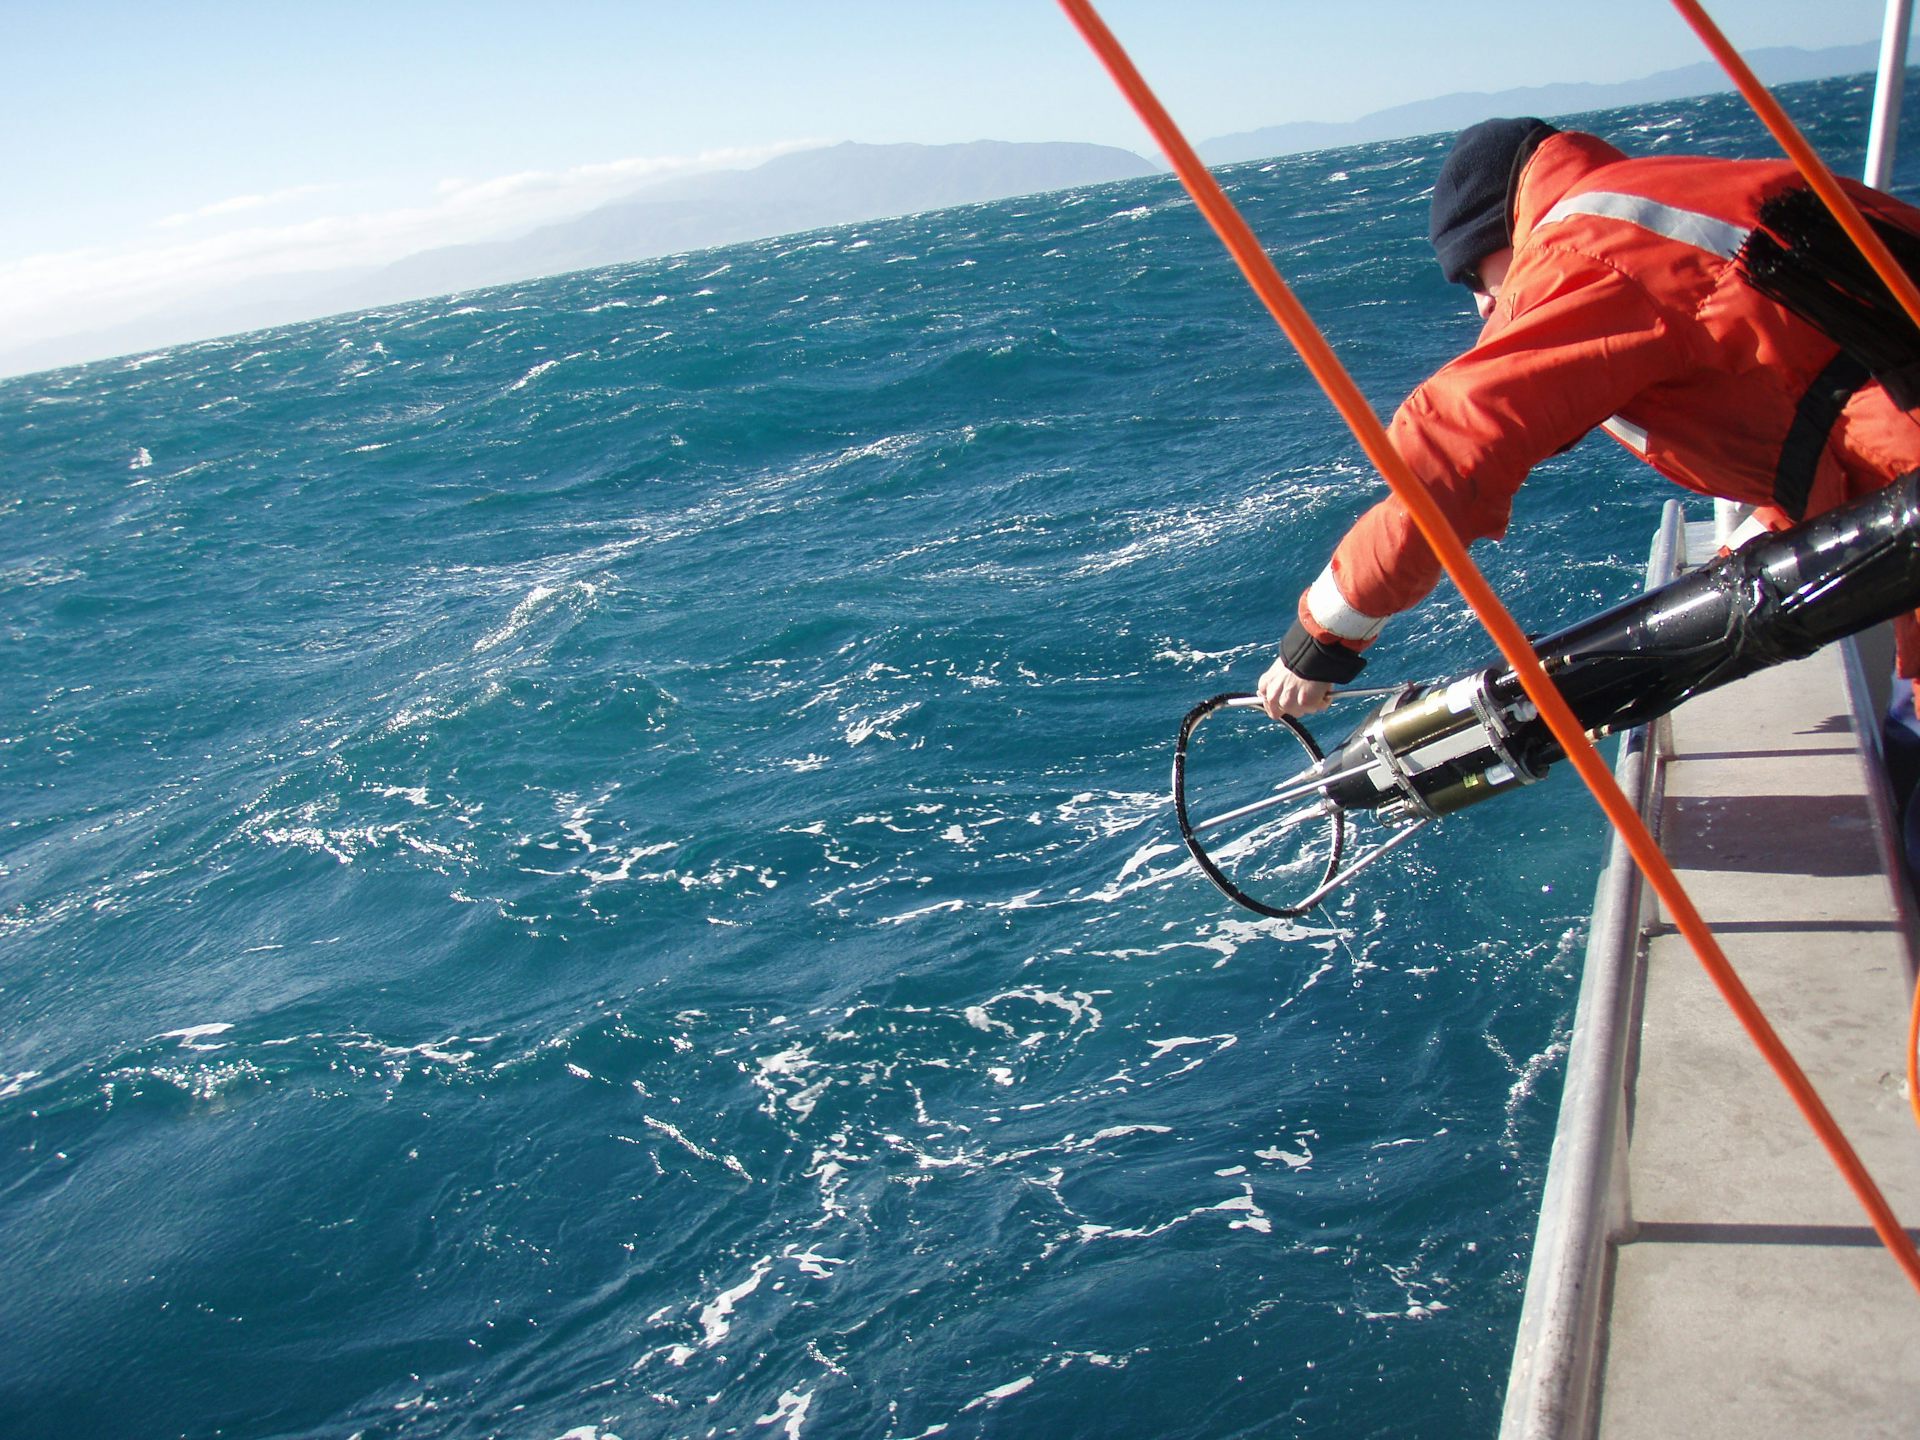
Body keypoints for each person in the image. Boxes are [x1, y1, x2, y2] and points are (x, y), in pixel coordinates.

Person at [1257, 116, 1920, 721]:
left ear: (1504, 228)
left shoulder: (1583, 247)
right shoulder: (1668, 197)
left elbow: (1451, 447)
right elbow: (1820, 384)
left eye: (1475, 278)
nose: (1485, 307)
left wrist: (1323, 636)